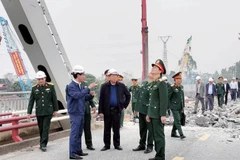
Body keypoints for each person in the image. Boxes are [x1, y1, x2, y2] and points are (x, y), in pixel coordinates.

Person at [66, 65, 97, 159]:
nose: (84, 76)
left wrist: (90, 96)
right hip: (75, 112)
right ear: (77, 75)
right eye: (83, 74)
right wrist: (88, 89)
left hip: (81, 111)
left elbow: (83, 98)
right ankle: (72, 153)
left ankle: (78, 150)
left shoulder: (80, 86)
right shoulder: (70, 86)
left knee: (79, 132)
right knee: (74, 133)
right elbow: (77, 96)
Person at [98, 69, 131, 151]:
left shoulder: (121, 86)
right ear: (109, 77)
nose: (114, 77)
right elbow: (101, 99)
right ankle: (106, 145)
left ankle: (117, 144)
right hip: (107, 110)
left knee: (116, 128)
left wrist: (124, 105)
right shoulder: (104, 86)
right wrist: (100, 111)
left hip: (117, 110)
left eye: (116, 75)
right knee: (107, 128)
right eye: (113, 75)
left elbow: (128, 95)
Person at [27, 71, 58, 152]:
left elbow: (54, 98)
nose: (41, 80)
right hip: (39, 111)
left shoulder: (50, 86)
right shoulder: (34, 88)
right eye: (39, 79)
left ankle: (43, 144)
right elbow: (31, 101)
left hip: (48, 111)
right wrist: (29, 112)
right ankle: (42, 142)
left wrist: (55, 110)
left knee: (45, 128)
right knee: (41, 128)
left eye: (42, 79)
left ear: (45, 78)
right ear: (37, 80)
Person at [146, 59, 168, 160]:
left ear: (160, 71)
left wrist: (163, 114)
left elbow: (164, 100)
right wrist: (149, 114)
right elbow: (152, 101)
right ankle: (158, 155)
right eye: (153, 66)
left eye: (155, 67)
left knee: (159, 136)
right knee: (155, 136)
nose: (153, 68)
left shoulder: (161, 83)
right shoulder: (154, 83)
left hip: (158, 114)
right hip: (153, 113)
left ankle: (160, 156)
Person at [132, 73, 154, 154]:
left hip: (148, 111)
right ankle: (142, 144)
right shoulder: (144, 84)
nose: (149, 76)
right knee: (142, 128)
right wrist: (136, 109)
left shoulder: (153, 86)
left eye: (151, 75)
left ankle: (150, 146)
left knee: (150, 129)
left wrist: (150, 112)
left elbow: (152, 101)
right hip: (141, 110)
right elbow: (139, 97)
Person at [168, 72, 185, 139]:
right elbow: (167, 97)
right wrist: (168, 107)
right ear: (175, 79)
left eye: (181, 79)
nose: (180, 80)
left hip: (180, 106)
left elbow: (182, 97)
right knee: (177, 120)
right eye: (178, 79)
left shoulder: (181, 87)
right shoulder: (172, 87)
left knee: (177, 119)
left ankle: (173, 132)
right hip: (174, 107)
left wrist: (183, 106)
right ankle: (181, 134)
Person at [82, 81, 97, 151]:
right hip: (79, 111)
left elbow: (88, 97)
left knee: (87, 129)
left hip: (87, 110)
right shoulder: (73, 86)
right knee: (78, 130)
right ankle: (77, 146)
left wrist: (93, 105)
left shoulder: (85, 85)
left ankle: (89, 144)